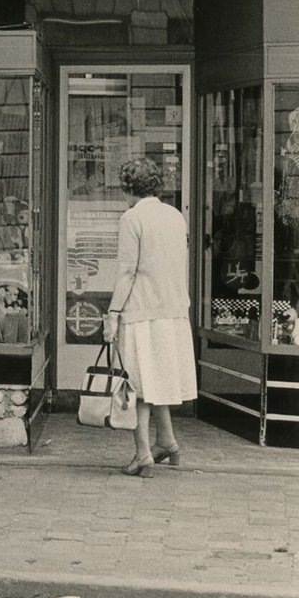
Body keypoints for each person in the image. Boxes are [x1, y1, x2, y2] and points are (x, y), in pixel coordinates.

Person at [103, 157, 198, 478]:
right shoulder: (175, 216)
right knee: (156, 378)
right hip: (172, 312)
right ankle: (167, 441)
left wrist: (113, 312)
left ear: (128, 188)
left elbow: (127, 271)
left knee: (138, 383)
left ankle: (143, 453)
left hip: (141, 311)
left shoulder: (132, 218)